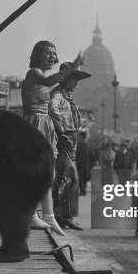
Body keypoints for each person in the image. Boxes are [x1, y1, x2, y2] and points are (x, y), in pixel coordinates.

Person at [21, 40, 77, 236]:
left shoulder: (42, 75)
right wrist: (71, 69)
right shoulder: (34, 73)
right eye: (49, 53)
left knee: (49, 173)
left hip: (45, 123)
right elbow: (47, 82)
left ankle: (49, 215)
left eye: (55, 53)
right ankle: (32, 213)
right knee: (36, 170)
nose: (53, 57)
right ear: (37, 55)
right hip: (35, 123)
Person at [49, 62, 91, 230]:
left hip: (70, 142)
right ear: (66, 78)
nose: (77, 83)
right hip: (63, 142)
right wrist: (61, 132)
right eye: (75, 79)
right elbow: (52, 110)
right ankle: (60, 215)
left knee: (67, 178)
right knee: (68, 177)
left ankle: (63, 215)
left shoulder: (67, 96)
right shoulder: (58, 95)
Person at [75, 131, 91, 196]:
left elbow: (77, 156)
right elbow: (92, 156)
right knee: (84, 178)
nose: (78, 137)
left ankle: (83, 191)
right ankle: (83, 190)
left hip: (80, 165)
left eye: (79, 136)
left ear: (82, 137)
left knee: (81, 178)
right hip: (86, 165)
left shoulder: (80, 145)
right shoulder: (88, 145)